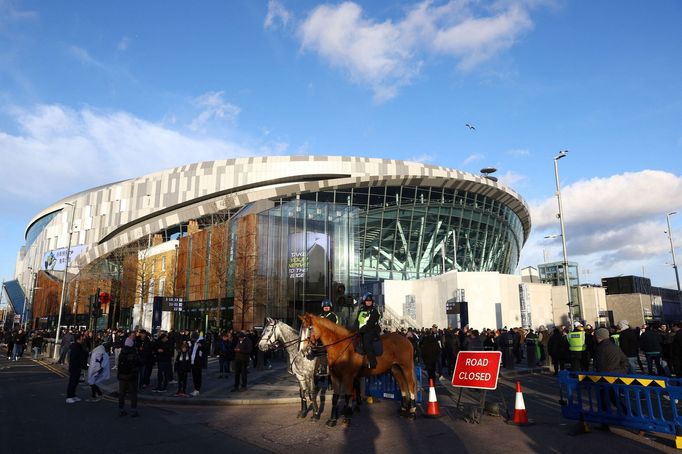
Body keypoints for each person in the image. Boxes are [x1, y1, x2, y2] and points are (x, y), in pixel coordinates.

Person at [594, 327, 628, 430]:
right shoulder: (614, 346)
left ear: (598, 337)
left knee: (604, 401)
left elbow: (599, 365)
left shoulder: (601, 348)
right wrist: (621, 372)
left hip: (605, 378)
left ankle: (605, 423)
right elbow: (624, 360)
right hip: (615, 376)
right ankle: (629, 415)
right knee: (615, 399)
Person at [354, 292, 381, 369]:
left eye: (370, 301)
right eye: (367, 301)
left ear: (372, 302)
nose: (368, 302)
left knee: (366, 340)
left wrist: (362, 330)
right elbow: (357, 321)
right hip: (361, 331)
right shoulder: (361, 310)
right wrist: (352, 330)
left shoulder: (374, 311)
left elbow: (371, 323)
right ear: (364, 302)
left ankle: (373, 361)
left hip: (371, 331)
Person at [117, 334, 141, 417]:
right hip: (132, 375)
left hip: (122, 375)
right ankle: (133, 410)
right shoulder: (134, 352)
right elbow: (138, 363)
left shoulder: (122, 352)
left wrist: (118, 375)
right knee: (133, 393)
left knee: (122, 393)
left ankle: (121, 409)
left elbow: (119, 364)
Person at [65, 333, 88, 404]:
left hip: (78, 367)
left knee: (75, 382)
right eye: (82, 337)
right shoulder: (75, 346)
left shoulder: (79, 346)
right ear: (79, 338)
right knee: (72, 381)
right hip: (75, 367)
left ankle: (73, 395)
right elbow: (74, 358)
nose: (83, 338)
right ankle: (69, 397)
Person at [189, 332, 206, 396]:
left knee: (197, 376)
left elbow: (205, 349)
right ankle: (195, 389)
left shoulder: (201, 341)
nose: (193, 340)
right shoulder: (194, 342)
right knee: (194, 376)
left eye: (193, 339)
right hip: (193, 361)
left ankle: (197, 389)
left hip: (198, 362)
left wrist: (201, 346)